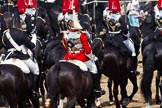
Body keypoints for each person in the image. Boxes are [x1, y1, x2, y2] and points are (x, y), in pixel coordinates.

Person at [61, 0, 102, 96]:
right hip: (80, 57)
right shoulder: (82, 34)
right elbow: (87, 49)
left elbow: (65, 47)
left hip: (69, 57)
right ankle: (96, 89)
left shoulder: (65, 35)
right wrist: (92, 57)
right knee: (94, 68)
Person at [1, 11, 39, 98]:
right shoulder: (21, 34)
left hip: (8, 56)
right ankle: (33, 91)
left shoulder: (4, 34)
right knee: (36, 70)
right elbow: (32, 46)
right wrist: (34, 38)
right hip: (21, 57)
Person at [103, 0, 137, 74]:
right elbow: (124, 30)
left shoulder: (106, 16)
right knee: (133, 50)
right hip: (119, 37)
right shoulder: (120, 17)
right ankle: (132, 69)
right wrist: (127, 34)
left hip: (109, 37)